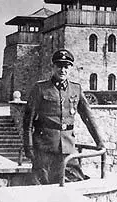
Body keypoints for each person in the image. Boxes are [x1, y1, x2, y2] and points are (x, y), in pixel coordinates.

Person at [23, 49, 105, 185]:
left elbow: (88, 119)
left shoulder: (76, 89)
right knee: (45, 184)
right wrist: (29, 147)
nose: (62, 70)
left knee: (76, 180)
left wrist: (99, 142)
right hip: (45, 147)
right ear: (53, 67)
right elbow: (28, 122)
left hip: (68, 147)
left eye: (66, 66)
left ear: (70, 68)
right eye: (59, 66)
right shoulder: (40, 89)